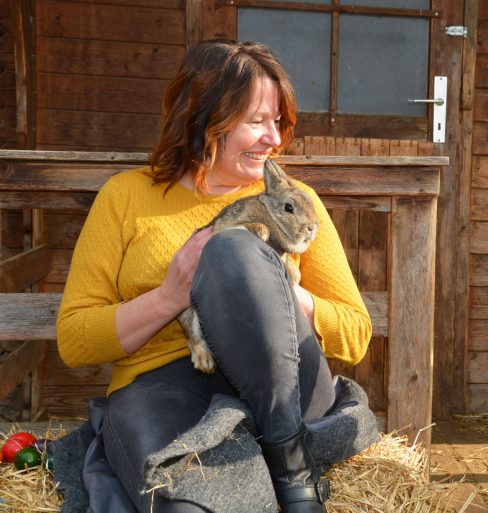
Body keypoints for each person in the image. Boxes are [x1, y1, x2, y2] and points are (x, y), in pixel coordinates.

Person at [56, 39, 372, 513]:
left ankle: (291, 466)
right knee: (190, 505)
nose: (275, 139)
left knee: (233, 248)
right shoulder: (126, 197)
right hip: (165, 389)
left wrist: (286, 293)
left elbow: (355, 334)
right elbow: (75, 340)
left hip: (286, 387)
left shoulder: (297, 201)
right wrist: (170, 296)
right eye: (257, 121)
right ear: (203, 116)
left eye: (279, 122)